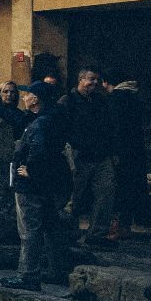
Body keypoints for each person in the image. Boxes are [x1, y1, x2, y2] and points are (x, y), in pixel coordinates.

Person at [5, 84, 72, 291]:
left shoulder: (39, 124)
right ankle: (56, 270)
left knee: (29, 230)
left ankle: (28, 276)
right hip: (50, 183)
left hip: (31, 186)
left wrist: (31, 170)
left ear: (36, 99)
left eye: (27, 95)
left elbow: (39, 151)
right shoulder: (53, 119)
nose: (23, 97)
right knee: (51, 228)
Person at [59, 69, 116, 247]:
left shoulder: (100, 101)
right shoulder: (68, 101)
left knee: (105, 194)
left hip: (101, 155)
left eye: (98, 80)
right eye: (91, 79)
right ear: (81, 80)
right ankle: (68, 234)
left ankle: (97, 235)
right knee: (73, 196)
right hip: (79, 154)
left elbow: (109, 126)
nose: (95, 83)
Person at [110, 76, 146, 236]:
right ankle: (126, 226)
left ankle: (116, 227)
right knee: (131, 187)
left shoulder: (115, 99)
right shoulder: (136, 98)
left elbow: (115, 128)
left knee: (118, 188)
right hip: (136, 151)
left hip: (121, 151)